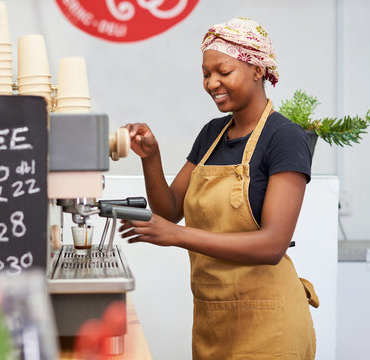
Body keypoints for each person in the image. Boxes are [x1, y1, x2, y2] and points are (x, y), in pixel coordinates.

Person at [120, 17, 319, 359]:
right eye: (205, 74)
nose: (212, 83)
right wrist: (151, 158)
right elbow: (169, 209)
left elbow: (272, 245)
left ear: (258, 70)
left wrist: (176, 235)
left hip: (270, 324)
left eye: (223, 71)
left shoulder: (283, 137)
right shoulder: (211, 134)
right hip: (214, 320)